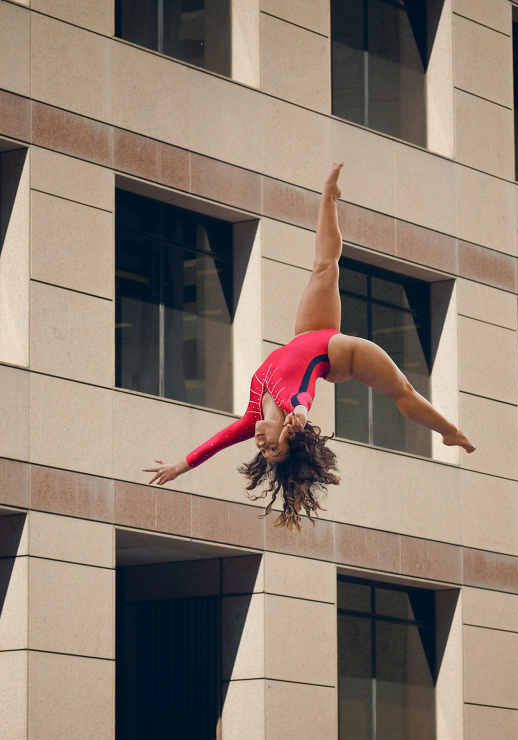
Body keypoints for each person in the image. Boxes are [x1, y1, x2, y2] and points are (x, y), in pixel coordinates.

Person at [144, 162, 474, 531]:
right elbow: (302, 395)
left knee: (323, 266)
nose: (262, 446)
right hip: (340, 354)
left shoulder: (253, 418)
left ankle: (328, 195)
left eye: (264, 452)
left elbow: (215, 443)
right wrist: (298, 416)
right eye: (274, 448)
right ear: (289, 436)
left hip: (308, 333)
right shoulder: (292, 408)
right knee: (403, 391)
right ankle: (448, 431)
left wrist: (179, 466)